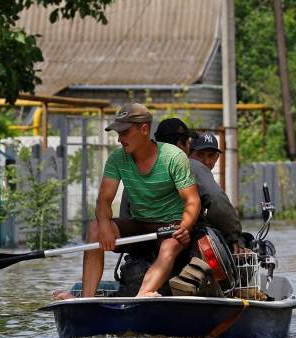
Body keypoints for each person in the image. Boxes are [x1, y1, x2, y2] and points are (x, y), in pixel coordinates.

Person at [57, 103, 200, 299]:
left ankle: (143, 295)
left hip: (171, 228)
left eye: (124, 132)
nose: (119, 139)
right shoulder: (117, 159)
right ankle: (86, 299)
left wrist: (185, 226)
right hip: (140, 224)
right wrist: (105, 225)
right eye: (118, 133)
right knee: (95, 228)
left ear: (144, 129)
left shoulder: (173, 157)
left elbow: (192, 201)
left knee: (169, 246)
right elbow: (103, 201)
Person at [189, 132, 244, 251]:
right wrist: (234, 238)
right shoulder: (195, 168)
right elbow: (217, 199)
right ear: (190, 153)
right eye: (200, 154)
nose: (206, 161)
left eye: (211, 155)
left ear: (217, 157)